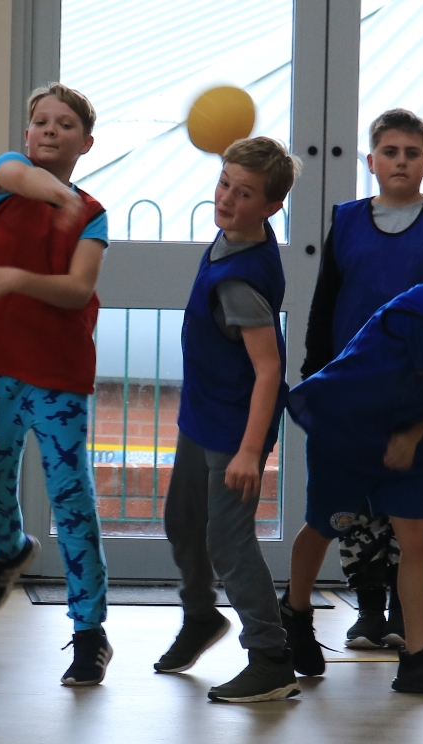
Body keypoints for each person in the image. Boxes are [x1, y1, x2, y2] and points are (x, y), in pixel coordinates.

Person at [282, 206, 423, 697]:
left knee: (417, 540)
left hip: (399, 434)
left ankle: (417, 660)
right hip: (349, 431)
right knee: (328, 524)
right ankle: (295, 615)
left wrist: (412, 437)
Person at [0, 83, 113, 686]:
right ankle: (8, 548)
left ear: (86, 142)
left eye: (65, 124)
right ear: (25, 136)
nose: (50, 130)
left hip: (56, 373)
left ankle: (90, 633)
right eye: (41, 122)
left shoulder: (91, 214)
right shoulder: (3, 176)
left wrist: (21, 278)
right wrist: (55, 195)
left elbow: (76, 290)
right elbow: (26, 179)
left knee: (72, 499)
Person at [301, 108, 423, 651]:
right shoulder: (345, 219)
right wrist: (314, 377)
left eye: (411, 153)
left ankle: (402, 612)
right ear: (371, 161)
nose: (400, 161)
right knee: (352, 506)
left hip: (417, 394)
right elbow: (325, 305)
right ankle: (368, 610)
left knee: (409, 508)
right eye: (390, 152)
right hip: (351, 392)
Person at [154, 137, 301, 703]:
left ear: (270, 207)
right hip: (203, 415)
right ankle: (200, 617)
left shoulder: (240, 279)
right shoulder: (239, 236)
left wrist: (249, 450)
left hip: (233, 432)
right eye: (224, 184)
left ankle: (270, 657)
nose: (228, 200)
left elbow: (269, 369)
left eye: (245, 194)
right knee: (182, 522)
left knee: (229, 542)